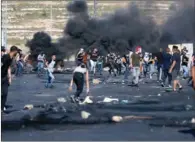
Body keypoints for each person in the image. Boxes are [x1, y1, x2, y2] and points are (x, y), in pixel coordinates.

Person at [1, 46, 20, 111]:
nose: (17, 53)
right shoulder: (6, 57)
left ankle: (1, 107)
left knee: (5, 93)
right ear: (14, 51)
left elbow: (8, 67)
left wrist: (9, 78)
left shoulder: (11, 58)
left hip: (5, 77)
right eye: (17, 51)